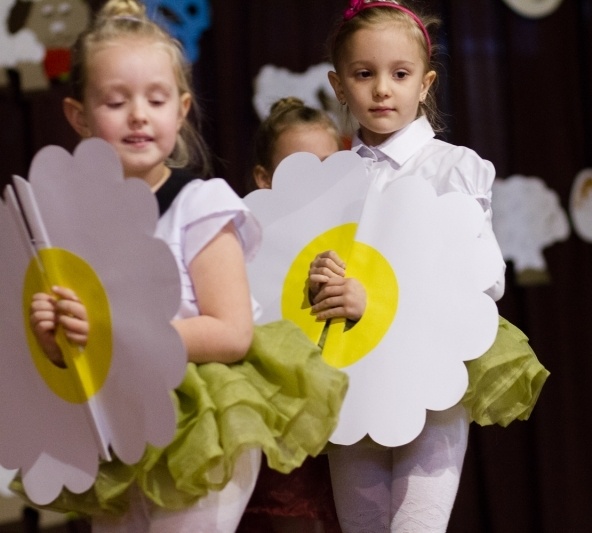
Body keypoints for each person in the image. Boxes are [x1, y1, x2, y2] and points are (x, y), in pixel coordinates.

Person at [25, 1, 346, 531]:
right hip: (117, 418)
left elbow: (231, 331)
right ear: (78, 115)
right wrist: (55, 338)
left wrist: (116, 335)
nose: (138, 115)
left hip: (200, 416)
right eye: (115, 101)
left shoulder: (200, 206)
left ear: (181, 108)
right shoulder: (72, 226)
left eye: (156, 98)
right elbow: (79, 349)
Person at [310, 1, 550, 531]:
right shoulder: (329, 180)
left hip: (430, 378)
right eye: (363, 74)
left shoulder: (454, 169)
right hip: (353, 378)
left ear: (425, 83)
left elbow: (482, 281)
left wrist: (375, 302)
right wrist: (317, 281)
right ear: (338, 84)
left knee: (417, 524)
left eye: (399, 74)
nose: (381, 89)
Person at [237, 97, 345, 533]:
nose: (315, 182)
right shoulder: (244, 252)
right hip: (282, 443)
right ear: (264, 179)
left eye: (327, 166)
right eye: (299, 169)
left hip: (351, 437)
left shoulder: (366, 241)